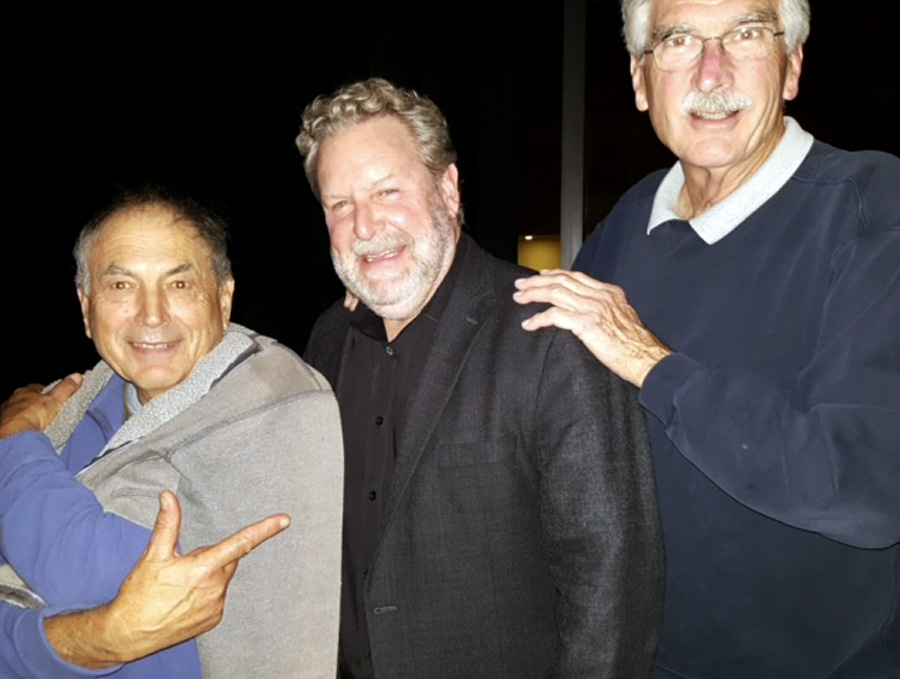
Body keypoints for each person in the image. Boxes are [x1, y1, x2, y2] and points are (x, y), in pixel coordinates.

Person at [512, 1, 900, 677]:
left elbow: (866, 487)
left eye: (745, 34)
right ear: (641, 80)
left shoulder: (873, 206)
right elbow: (534, 360)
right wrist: (403, 288)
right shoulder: (633, 217)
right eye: (679, 40)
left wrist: (653, 364)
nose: (711, 72)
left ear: (792, 66)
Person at [297, 77, 663, 679]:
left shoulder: (550, 335)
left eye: (387, 191)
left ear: (448, 188)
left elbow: (612, 589)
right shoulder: (329, 338)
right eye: (340, 205)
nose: (364, 225)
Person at [0, 190, 344, 678]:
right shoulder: (72, 408)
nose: (152, 314)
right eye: (121, 285)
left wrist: (12, 440)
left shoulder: (272, 398)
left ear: (223, 299)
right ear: (86, 306)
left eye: (179, 284)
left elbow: (90, 578)